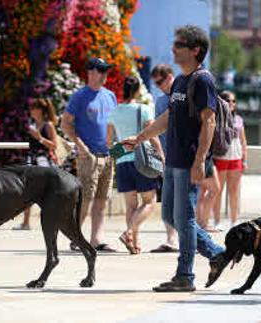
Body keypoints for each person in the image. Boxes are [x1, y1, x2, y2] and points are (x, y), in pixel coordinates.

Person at [123, 25, 227, 292]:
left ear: (195, 50)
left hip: (189, 162)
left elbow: (210, 121)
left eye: (179, 45)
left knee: (185, 218)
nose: (173, 48)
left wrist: (199, 161)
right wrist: (141, 137)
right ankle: (216, 253)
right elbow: (168, 118)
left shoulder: (202, 80)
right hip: (172, 161)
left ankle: (185, 275)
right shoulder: (180, 81)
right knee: (171, 215)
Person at [61, 57, 117, 253]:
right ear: (90, 72)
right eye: (100, 71)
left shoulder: (110, 95)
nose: (104, 75)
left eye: (105, 71)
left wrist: (115, 147)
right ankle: (76, 237)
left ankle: (96, 239)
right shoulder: (80, 96)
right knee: (86, 198)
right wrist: (80, 147)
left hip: (108, 155)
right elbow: (65, 123)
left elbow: (112, 124)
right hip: (89, 156)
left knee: (101, 199)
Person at [106, 76, 162, 254]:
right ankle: (129, 233)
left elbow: (108, 142)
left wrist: (122, 148)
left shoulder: (114, 111)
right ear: (138, 90)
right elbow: (152, 135)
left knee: (131, 206)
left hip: (123, 162)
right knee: (150, 202)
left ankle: (133, 243)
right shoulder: (143, 109)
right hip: (142, 161)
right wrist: (161, 155)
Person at [13, 98, 59, 230]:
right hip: (31, 160)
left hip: (43, 161)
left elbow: (54, 145)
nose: (31, 111)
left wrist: (39, 138)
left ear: (40, 110)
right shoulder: (32, 124)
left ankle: (50, 221)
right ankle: (26, 222)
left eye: (34, 108)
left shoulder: (48, 125)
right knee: (27, 191)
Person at [148, 64, 178, 253]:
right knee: (167, 201)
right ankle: (171, 239)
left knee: (185, 201)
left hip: (186, 156)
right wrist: (160, 155)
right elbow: (157, 131)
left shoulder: (185, 95)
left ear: (170, 76)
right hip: (168, 158)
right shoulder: (160, 102)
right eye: (155, 83)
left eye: (160, 81)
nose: (158, 86)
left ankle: (193, 240)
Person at [212, 90, 248, 229]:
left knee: (234, 192)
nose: (231, 103)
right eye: (228, 100)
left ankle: (234, 221)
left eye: (233, 101)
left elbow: (243, 141)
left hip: (236, 158)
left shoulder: (238, 120)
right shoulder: (216, 118)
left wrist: (245, 159)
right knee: (218, 191)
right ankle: (216, 221)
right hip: (220, 157)